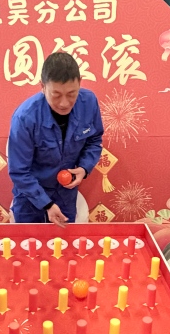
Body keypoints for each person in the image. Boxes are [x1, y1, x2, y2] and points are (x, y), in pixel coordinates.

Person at [8, 52, 103, 228]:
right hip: (30, 198)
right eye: (56, 95)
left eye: (72, 94)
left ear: (80, 82)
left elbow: (94, 140)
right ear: (43, 87)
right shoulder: (25, 117)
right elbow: (19, 172)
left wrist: (84, 168)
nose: (64, 103)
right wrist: (46, 204)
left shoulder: (89, 103)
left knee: (63, 243)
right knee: (30, 244)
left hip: (66, 195)